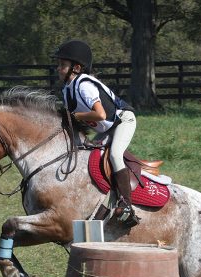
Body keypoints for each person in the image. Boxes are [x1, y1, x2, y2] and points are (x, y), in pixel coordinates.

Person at [52, 40, 139, 227]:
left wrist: (76, 115)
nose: (58, 69)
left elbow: (99, 114)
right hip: (106, 128)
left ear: (76, 68)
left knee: (115, 155)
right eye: (58, 65)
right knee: (88, 155)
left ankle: (126, 207)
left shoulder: (83, 85)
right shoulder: (67, 90)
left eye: (62, 65)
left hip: (123, 121)